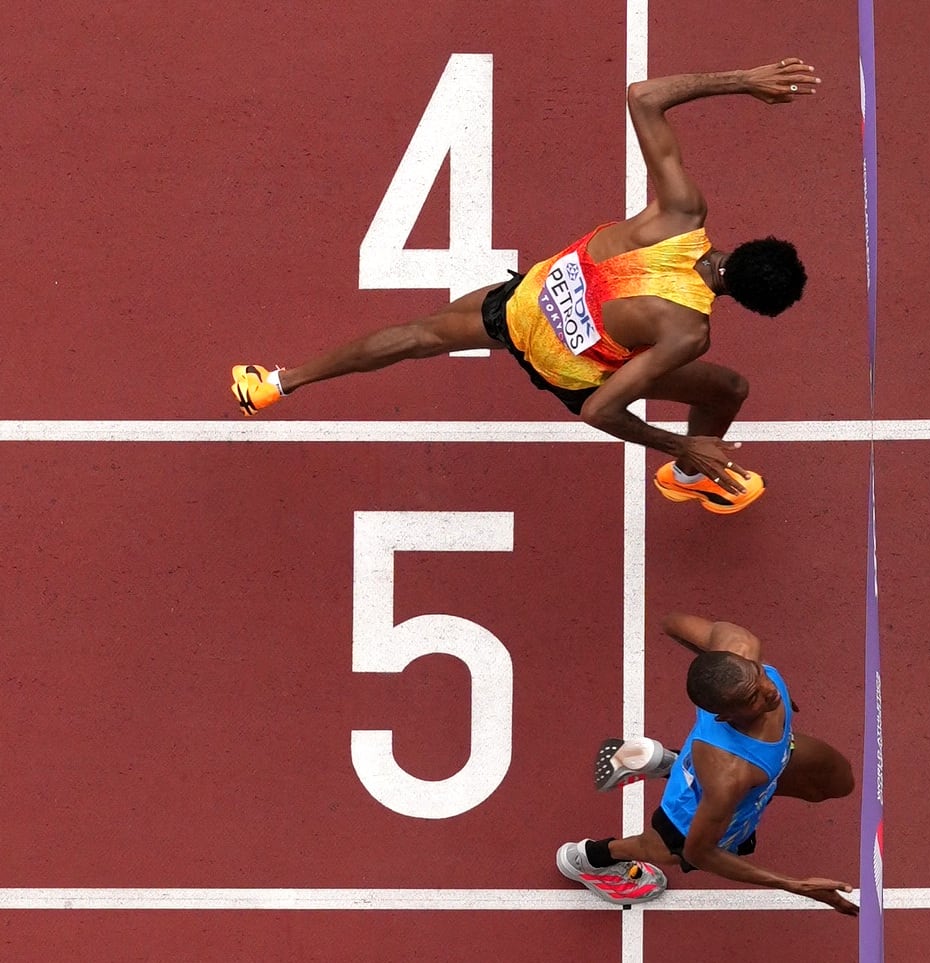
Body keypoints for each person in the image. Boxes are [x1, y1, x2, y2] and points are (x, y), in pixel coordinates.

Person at [231, 59, 820, 514]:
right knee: (728, 390)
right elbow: (600, 411)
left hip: (521, 305)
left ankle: (275, 383)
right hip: (566, 368)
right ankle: (688, 478)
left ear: (746, 246)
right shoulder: (688, 330)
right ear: (751, 306)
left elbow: (643, 95)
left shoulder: (681, 213)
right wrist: (679, 446)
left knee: (416, 336)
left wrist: (743, 81)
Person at [555, 613, 859, 915]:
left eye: (759, 675)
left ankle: (672, 763)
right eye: (753, 697)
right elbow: (699, 853)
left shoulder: (740, 645)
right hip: (694, 806)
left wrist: (713, 670)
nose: (771, 691)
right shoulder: (729, 778)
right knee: (664, 849)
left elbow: (672, 623)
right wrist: (794, 884)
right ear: (724, 716)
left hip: (754, 756)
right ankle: (588, 858)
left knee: (836, 782)